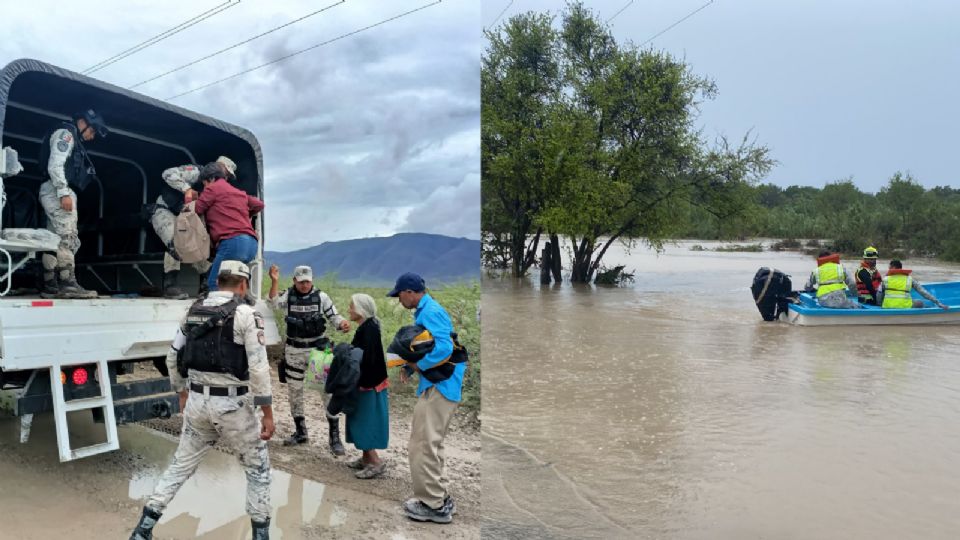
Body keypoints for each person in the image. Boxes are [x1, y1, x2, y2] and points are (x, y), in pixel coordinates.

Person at [129, 261, 274, 540]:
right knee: (257, 470)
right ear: (243, 285)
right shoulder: (246, 314)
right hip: (233, 407)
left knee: (180, 466)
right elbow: (258, 368)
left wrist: (181, 392)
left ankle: (142, 530)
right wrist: (267, 412)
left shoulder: (192, 310)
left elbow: (172, 356)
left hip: (197, 401)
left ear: (218, 282)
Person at [389, 272, 463, 524]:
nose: (398, 299)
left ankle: (433, 505)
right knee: (432, 443)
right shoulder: (427, 310)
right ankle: (439, 497)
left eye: (399, 294)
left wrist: (418, 366)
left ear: (410, 292)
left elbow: (445, 348)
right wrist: (412, 367)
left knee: (422, 444)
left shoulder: (430, 311)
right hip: (441, 384)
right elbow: (433, 345)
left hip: (440, 386)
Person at [267, 264, 350, 452]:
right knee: (294, 391)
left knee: (326, 393)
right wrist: (274, 281)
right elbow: (273, 303)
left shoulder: (321, 297)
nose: (305, 285)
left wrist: (342, 324)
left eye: (307, 281)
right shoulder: (288, 296)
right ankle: (300, 432)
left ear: (312, 280)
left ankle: (334, 438)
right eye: (301, 281)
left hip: (319, 350)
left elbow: (333, 316)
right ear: (294, 281)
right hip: (294, 349)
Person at [37, 109, 108, 299]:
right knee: (67, 235)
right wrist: (63, 192)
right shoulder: (66, 134)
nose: (92, 136)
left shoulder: (69, 135)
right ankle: (68, 283)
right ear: (83, 122)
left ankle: (50, 282)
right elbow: (55, 165)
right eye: (92, 131)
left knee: (53, 237)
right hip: (57, 189)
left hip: (51, 190)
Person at [150, 156, 235, 299]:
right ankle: (170, 287)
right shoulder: (197, 172)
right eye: (226, 173)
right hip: (165, 210)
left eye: (227, 177)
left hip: (188, 218)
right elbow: (167, 173)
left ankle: (206, 285)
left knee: (200, 244)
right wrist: (187, 189)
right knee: (176, 241)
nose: (226, 178)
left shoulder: (218, 189)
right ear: (219, 166)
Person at [194, 162, 264, 293]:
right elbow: (259, 204)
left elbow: (198, 208)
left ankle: (218, 312)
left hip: (232, 244)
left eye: (205, 184)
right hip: (251, 245)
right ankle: (241, 305)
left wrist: (189, 200)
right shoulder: (238, 192)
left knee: (214, 284)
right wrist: (244, 216)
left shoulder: (213, 188)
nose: (205, 188)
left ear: (211, 179)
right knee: (234, 284)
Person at [343, 293, 390, 479]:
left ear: (361, 310)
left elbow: (366, 360)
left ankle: (375, 462)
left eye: (351, 306)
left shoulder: (367, 330)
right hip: (371, 382)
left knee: (364, 421)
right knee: (362, 420)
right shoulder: (369, 327)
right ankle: (365, 459)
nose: (349, 310)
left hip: (368, 384)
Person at [878, 259, 948, 310]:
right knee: (920, 303)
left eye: (889, 268)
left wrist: (881, 306)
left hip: (887, 306)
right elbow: (923, 292)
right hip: (905, 306)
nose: (888, 270)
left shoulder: (885, 279)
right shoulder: (910, 279)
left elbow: (879, 295)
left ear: (893, 268)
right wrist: (938, 303)